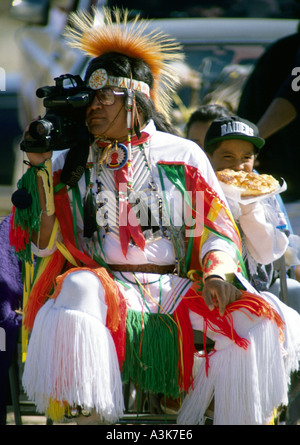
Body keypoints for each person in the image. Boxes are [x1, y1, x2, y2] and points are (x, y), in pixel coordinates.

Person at [9, 8, 300, 426]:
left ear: (136, 100)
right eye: (89, 100)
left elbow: (218, 228)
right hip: (107, 286)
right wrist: (39, 167)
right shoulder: (67, 161)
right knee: (76, 287)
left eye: (105, 98)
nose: (93, 108)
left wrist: (218, 273)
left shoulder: (182, 155)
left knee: (256, 320)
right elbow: (40, 244)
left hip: (177, 285)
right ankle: (92, 419)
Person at [237, 21, 300, 205]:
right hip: (283, 186)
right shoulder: (281, 52)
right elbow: (293, 93)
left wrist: (248, 144)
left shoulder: (281, 51)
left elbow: (293, 97)